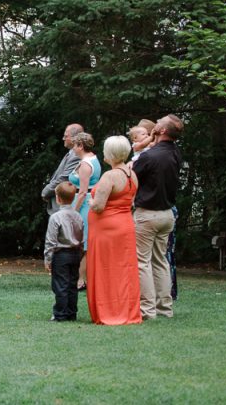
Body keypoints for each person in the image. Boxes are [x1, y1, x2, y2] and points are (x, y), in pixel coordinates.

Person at [86, 136, 142, 325]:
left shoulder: (109, 176)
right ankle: (126, 310)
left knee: (106, 269)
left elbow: (99, 206)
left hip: (107, 230)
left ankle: (109, 311)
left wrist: (90, 201)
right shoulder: (131, 174)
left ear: (110, 154)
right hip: (125, 225)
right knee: (124, 270)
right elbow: (130, 201)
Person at [133, 114, 184, 320]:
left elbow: (132, 178)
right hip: (167, 215)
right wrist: (152, 140)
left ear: (162, 131)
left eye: (159, 123)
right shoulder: (176, 153)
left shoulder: (150, 156)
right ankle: (165, 307)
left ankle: (147, 309)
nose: (156, 123)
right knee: (160, 261)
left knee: (142, 262)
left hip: (147, 214)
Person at [43, 181, 83, 322]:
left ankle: (60, 314)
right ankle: (71, 312)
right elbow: (81, 235)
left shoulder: (55, 217)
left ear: (58, 198)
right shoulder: (78, 216)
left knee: (60, 285)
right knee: (72, 284)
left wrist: (48, 258)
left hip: (61, 255)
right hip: (75, 254)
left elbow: (51, 240)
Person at [68, 132, 101, 289]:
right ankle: (80, 277)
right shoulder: (91, 159)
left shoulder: (86, 165)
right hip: (84, 202)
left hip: (83, 205)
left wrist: (73, 211)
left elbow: (82, 192)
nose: (73, 148)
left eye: (75, 145)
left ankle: (81, 280)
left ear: (81, 146)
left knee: (84, 243)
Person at [41, 124, 83, 215]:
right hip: (59, 206)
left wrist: (45, 192)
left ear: (74, 138)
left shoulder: (76, 156)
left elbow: (63, 179)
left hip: (63, 207)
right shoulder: (71, 153)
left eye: (65, 136)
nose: (63, 138)